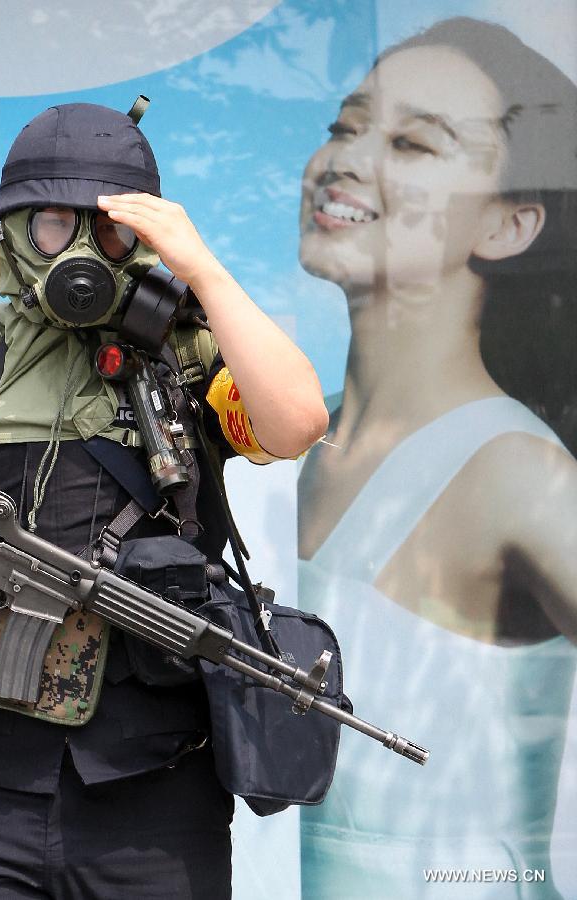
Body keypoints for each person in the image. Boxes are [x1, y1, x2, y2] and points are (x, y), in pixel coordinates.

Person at [0, 101, 328, 898]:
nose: (79, 250)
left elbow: (297, 423)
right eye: (51, 224)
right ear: (12, 231)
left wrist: (205, 274)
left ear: (143, 237)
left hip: (154, 800)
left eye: (107, 228)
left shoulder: (191, 358)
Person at [295, 17, 577, 898]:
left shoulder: (518, 476)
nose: (345, 160)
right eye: (346, 124)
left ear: (509, 223)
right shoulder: (292, 439)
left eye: (415, 143)